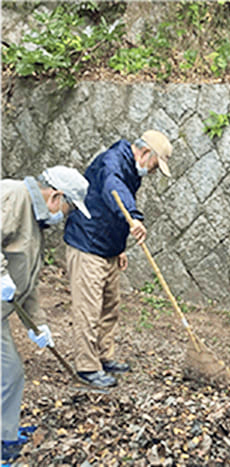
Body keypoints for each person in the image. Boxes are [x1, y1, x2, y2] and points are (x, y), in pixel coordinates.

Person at [63, 130, 172, 388]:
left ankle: (104, 356)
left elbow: (112, 210)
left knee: (109, 307)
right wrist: (133, 217)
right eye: (156, 164)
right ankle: (87, 368)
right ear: (145, 153)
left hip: (109, 247)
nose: (155, 171)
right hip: (87, 245)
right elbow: (115, 190)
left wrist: (120, 246)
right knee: (88, 310)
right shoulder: (111, 163)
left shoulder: (132, 169)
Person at [1, 166, 91, 463]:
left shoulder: (36, 223)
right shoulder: (13, 196)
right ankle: (4, 440)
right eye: (67, 208)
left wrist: (38, 324)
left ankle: (6, 434)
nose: (64, 215)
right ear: (56, 196)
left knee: (10, 372)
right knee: (9, 371)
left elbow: (28, 280)